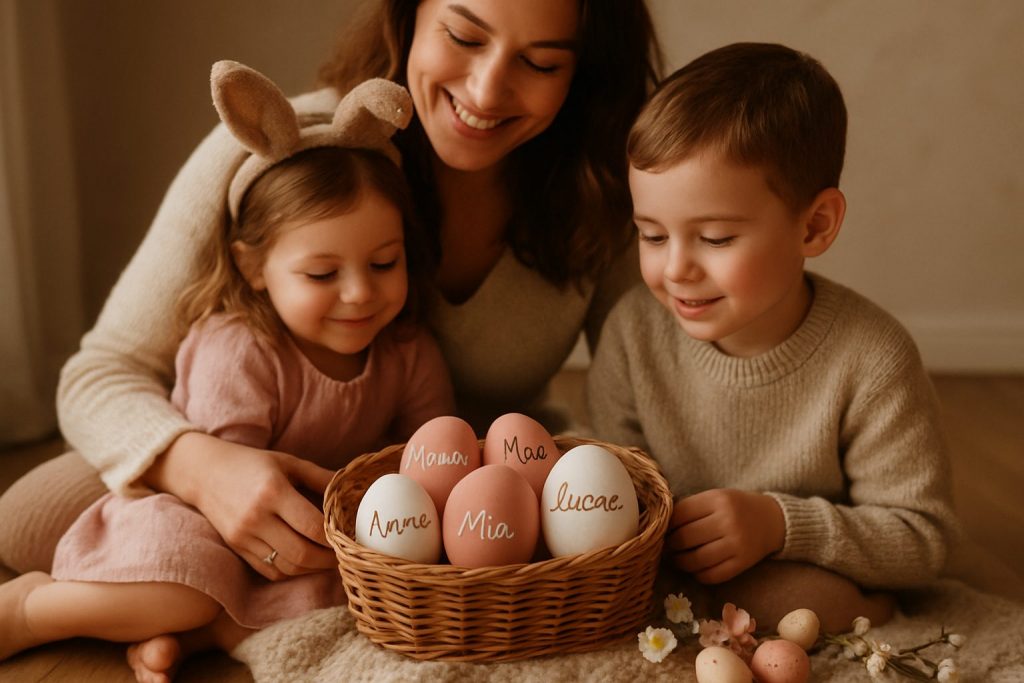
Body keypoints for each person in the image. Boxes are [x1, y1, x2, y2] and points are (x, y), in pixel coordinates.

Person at [0, 0, 660, 584]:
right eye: (463, 36)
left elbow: (650, 387)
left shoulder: (597, 191)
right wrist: (204, 469)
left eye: (541, 63)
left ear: (583, 75)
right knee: (28, 518)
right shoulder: (287, 150)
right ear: (409, 20)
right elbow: (98, 374)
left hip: (473, 502)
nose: (486, 90)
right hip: (256, 455)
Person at [0, 63, 454, 680]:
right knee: (187, 581)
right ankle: (34, 608)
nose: (359, 294)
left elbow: (436, 452)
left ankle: (194, 638)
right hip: (207, 520)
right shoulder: (239, 347)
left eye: (384, 262)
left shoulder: (408, 349)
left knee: (368, 591)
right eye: (322, 274)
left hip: (315, 532)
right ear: (253, 268)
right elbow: (227, 494)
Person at [586, 42, 960, 632]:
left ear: (814, 226)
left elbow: (922, 541)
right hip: (666, 566)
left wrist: (779, 524)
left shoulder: (872, 357)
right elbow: (608, 495)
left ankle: (861, 615)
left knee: (794, 604)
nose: (676, 267)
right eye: (652, 236)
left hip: (792, 568)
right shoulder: (634, 332)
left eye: (714, 238)